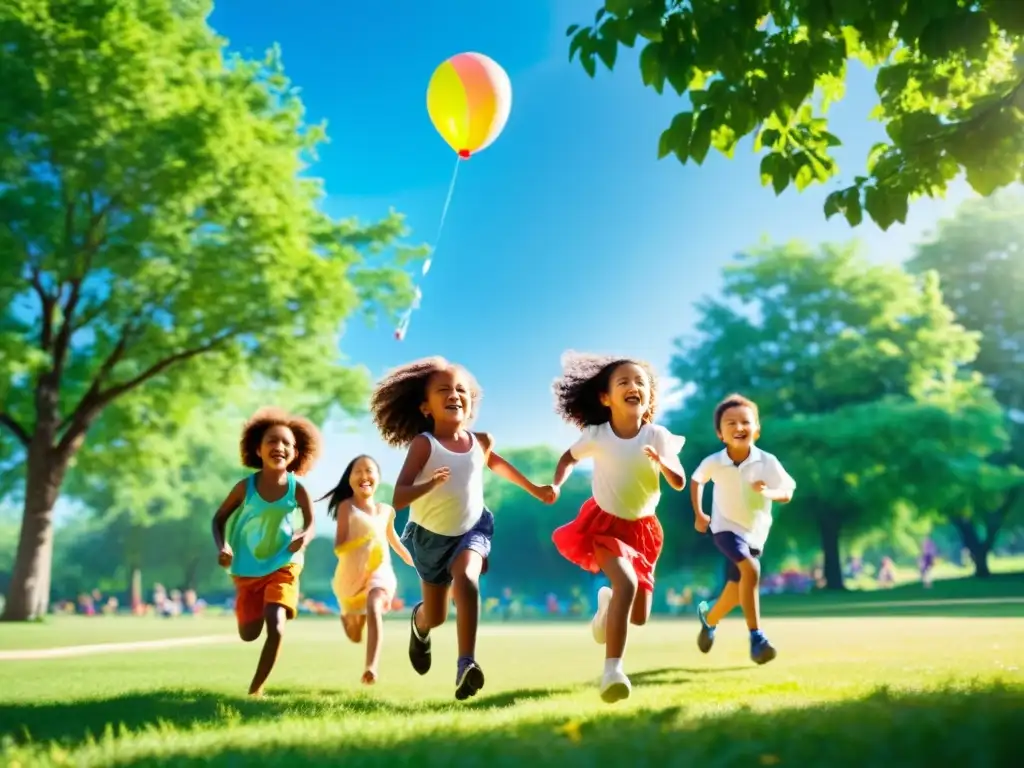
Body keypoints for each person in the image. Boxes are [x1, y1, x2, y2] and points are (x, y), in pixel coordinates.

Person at [370, 356, 556, 701]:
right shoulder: (424, 444)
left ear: (470, 402)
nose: (454, 394)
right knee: (436, 615)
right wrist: (430, 485)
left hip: (472, 528)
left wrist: (535, 488)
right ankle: (420, 624)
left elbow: (498, 466)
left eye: (461, 389)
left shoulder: (481, 441)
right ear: (426, 406)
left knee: (467, 579)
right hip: (429, 538)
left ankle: (465, 664)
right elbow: (398, 498)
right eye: (444, 390)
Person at [548, 351, 686, 703]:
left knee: (638, 616)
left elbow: (679, 480)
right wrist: (557, 483)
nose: (633, 386)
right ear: (605, 397)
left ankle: (607, 604)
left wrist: (664, 464)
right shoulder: (597, 434)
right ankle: (613, 671)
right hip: (604, 522)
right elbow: (567, 457)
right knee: (625, 582)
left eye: (640, 382)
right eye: (623, 381)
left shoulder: (657, 435)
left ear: (649, 396)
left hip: (645, 531)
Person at [211, 406, 321, 696]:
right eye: (272, 440)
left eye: (287, 443)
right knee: (249, 634)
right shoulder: (244, 488)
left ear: (296, 453)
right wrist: (222, 545)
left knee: (277, 625)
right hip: (248, 566)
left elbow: (311, 523)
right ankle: (256, 602)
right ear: (258, 450)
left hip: (284, 562)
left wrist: (304, 537)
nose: (279, 447)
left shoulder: (297, 489)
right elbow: (218, 519)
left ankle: (255, 690)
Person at [691, 393, 794, 665]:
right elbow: (697, 480)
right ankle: (757, 639)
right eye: (730, 423)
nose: (739, 427)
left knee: (735, 593)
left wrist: (768, 491)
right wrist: (700, 512)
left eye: (745, 422)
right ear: (720, 433)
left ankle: (709, 620)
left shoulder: (766, 461)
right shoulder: (715, 461)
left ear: (756, 430)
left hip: (755, 534)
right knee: (751, 570)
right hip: (724, 529)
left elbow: (787, 491)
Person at [319, 453, 414, 684]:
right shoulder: (346, 508)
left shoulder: (385, 511)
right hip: (352, 575)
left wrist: (412, 559)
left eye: (369, 470)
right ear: (350, 479)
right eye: (358, 471)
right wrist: (362, 542)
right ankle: (349, 618)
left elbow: (394, 540)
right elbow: (339, 545)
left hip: (381, 572)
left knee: (374, 605)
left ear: (378, 477)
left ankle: (371, 667)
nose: (364, 475)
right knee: (354, 634)